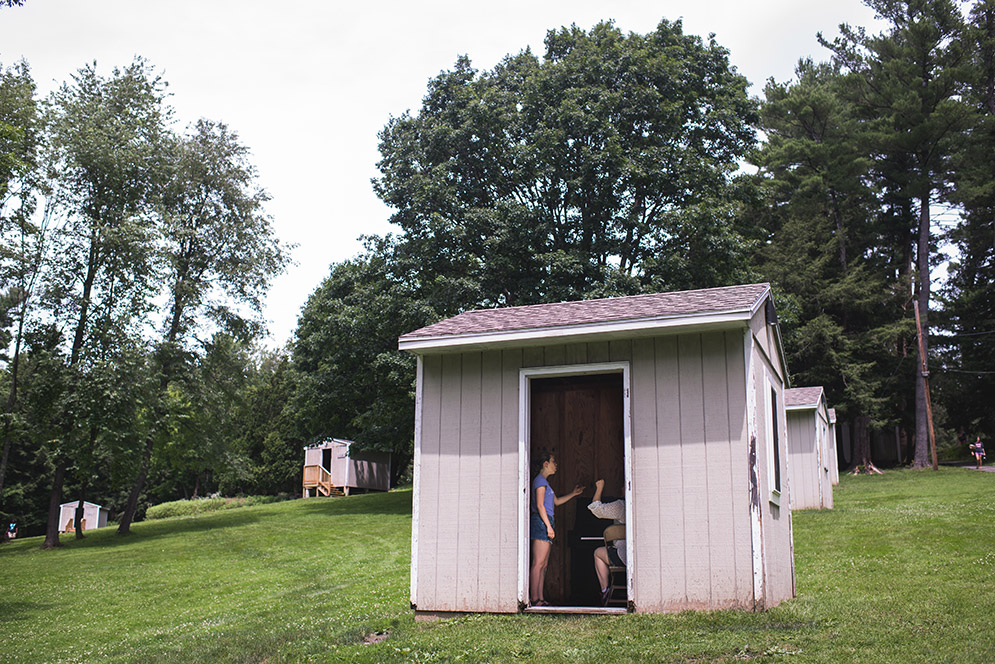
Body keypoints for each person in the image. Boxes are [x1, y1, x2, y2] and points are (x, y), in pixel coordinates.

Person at [529, 450, 583, 607]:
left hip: (546, 521)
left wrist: (573, 494)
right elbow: (540, 505)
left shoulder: (545, 483)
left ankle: (540, 597)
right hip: (541, 522)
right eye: (554, 462)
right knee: (538, 562)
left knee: (544, 564)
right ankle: (534, 598)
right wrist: (547, 526)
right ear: (546, 464)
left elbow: (556, 502)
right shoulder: (540, 482)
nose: (556, 465)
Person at [588, 478, 626, 605]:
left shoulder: (621, 506)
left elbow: (596, 509)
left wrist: (599, 488)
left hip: (623, 557)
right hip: (641, 558)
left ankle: (605, 591)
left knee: (598, 552)